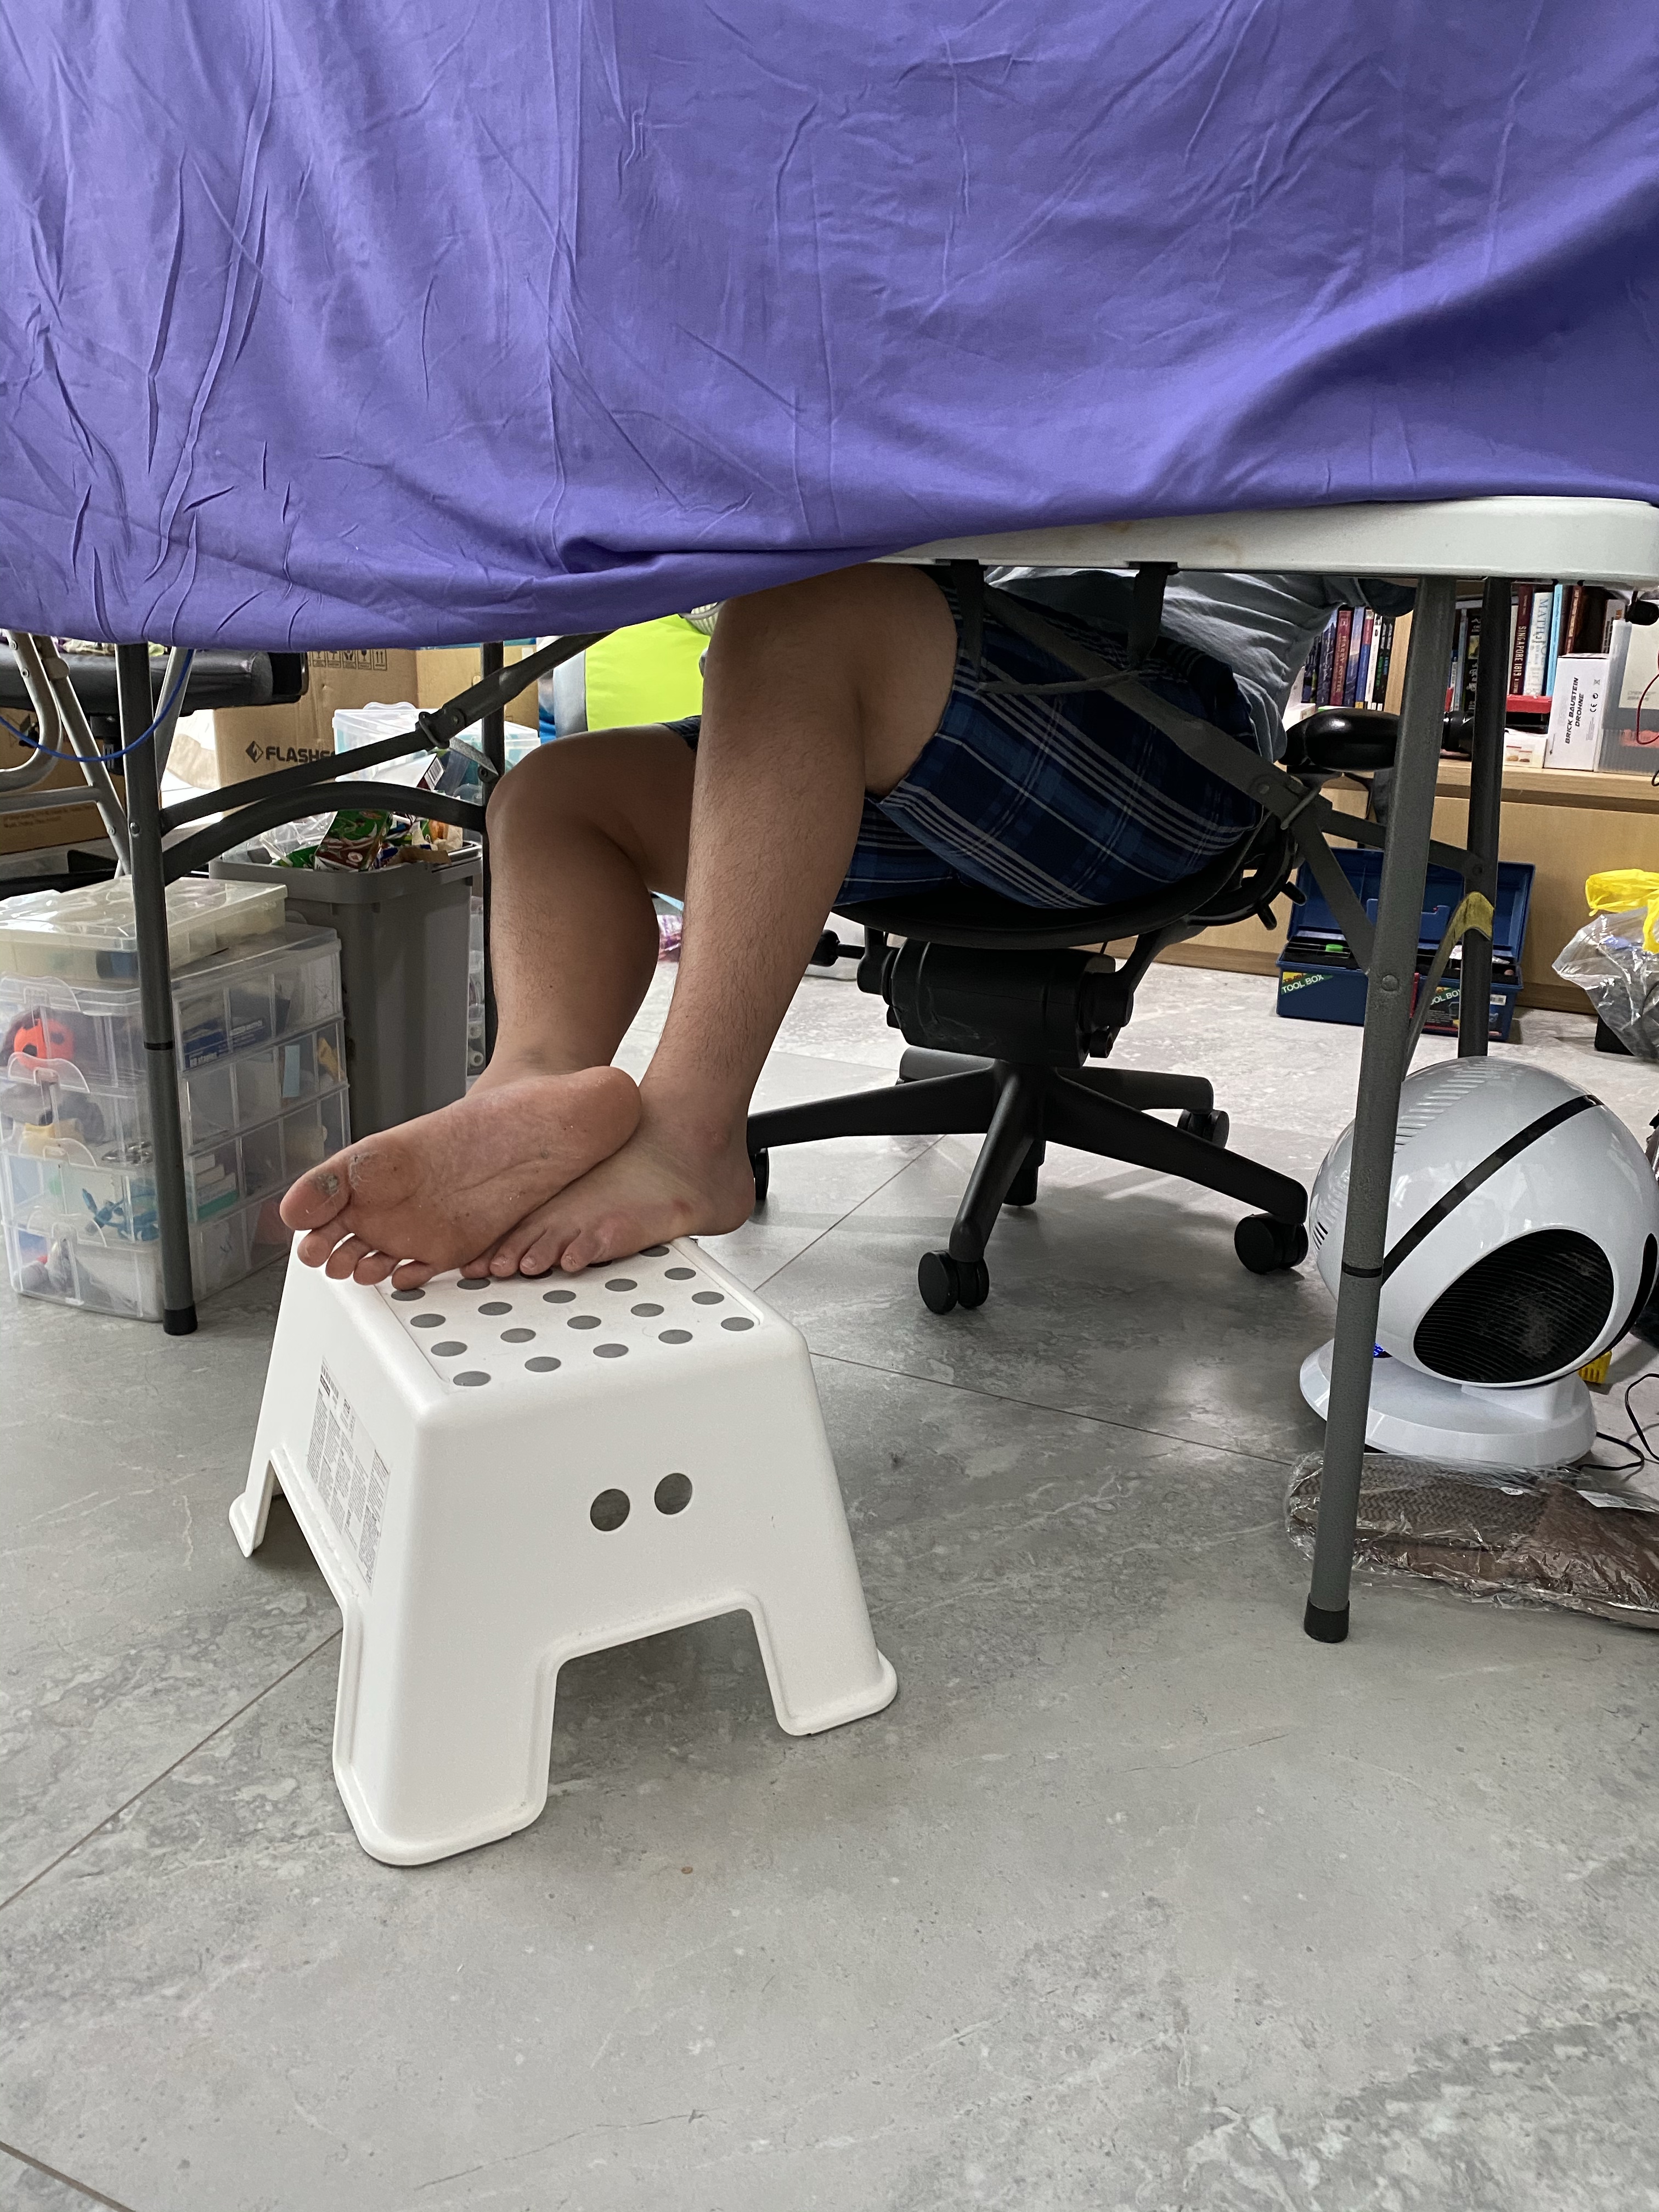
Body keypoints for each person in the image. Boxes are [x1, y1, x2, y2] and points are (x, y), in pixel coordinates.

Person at [280, 561, 1404, 1288]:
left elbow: (1424, 545)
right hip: (940, 717)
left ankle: (691, 1136)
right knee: (557, 794)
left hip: (1176, 747)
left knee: (804, 616)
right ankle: (531, 1084)